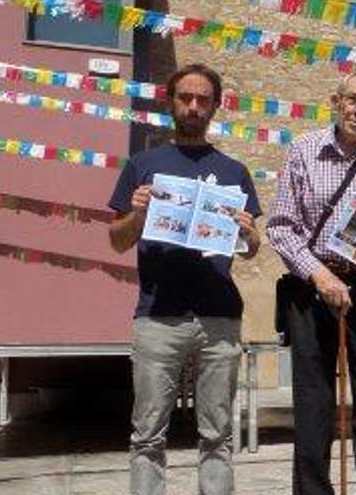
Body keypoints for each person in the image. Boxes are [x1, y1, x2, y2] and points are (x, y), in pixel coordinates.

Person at [108, 63, 262, 495]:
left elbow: (251, 249)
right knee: (147, 436)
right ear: (171, 102)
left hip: (220, 318)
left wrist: (250, 235)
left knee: (218, 436)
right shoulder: (143, 165)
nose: (194, 107)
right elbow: (116, 241)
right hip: (157, 317)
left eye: (203, 100)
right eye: (186, 98)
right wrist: (137, 214)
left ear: (216, 106)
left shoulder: (235, 171)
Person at [266, 71, 356, 495]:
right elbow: (281, 227)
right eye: (353, 99)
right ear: (336, 101)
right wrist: (320, 273)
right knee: (312, 404)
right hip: (312, 287)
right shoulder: (304, 150)